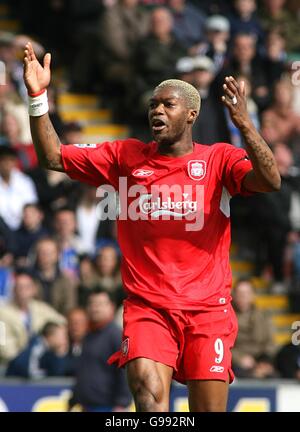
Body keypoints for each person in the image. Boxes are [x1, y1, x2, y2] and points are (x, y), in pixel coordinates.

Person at [23, 41, 280, 412]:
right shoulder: (124, 157)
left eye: (167, 104)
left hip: (208, 312)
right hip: (149, 310)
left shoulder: (218, 160)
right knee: (148, 399)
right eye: (152, 106)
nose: (157, 110)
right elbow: (52, 156)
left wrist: (244, 123)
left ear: (191, 114)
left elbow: (270, 180)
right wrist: (37, 96)